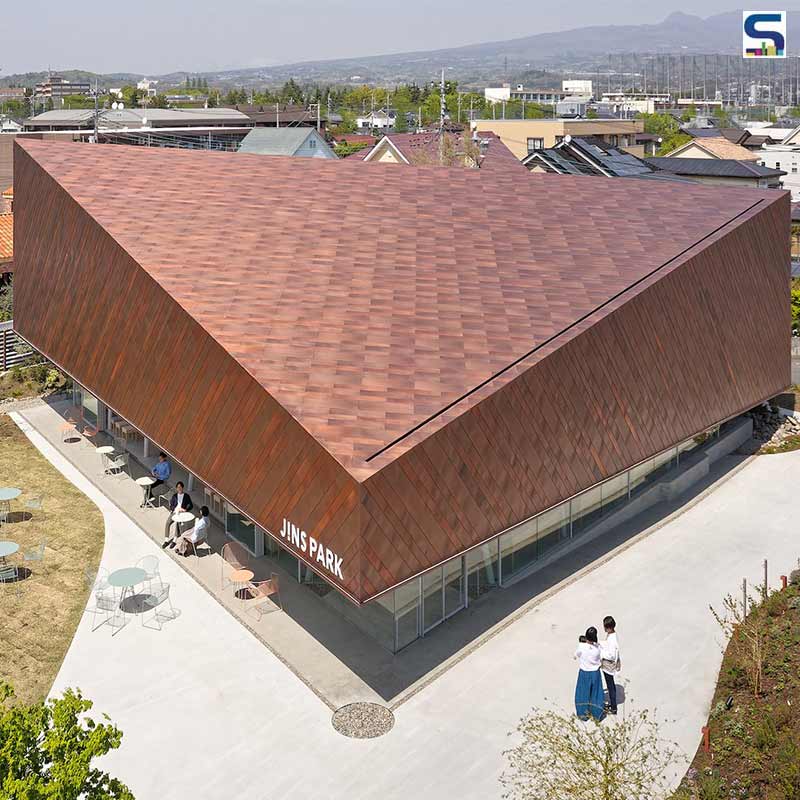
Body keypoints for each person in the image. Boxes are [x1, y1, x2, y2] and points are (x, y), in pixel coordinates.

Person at [574, 626, 605, 721]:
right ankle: (597, 715)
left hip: (584, 673)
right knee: (596, 694)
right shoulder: (597, 648)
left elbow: (575, 655)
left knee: (582, 694)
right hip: (595, 673)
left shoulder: (581, 646)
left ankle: (583, 715)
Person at [162, 481, 193, 548]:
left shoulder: (186, 496)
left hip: (181, 513)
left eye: (180, 487)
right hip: (175, 512)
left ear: (182, 488)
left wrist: (185, 509)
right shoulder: (175, 496)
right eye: (178, 487)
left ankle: (174, 540)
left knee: (177, 524)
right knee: (168, 523)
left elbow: (191, 505)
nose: (179, 489)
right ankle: (166, 540)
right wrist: (174, 509)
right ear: (176, 488)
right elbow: (171, 505)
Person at [600, 615, 621, 715]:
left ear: (608, 627)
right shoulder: (612, 635)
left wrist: (601, 653)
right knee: (610, 685)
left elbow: (611, 655)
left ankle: (613, 707)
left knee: (610, 686)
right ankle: (613, 706)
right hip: (610, 665)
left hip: (609, 666)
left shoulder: (612, 639)